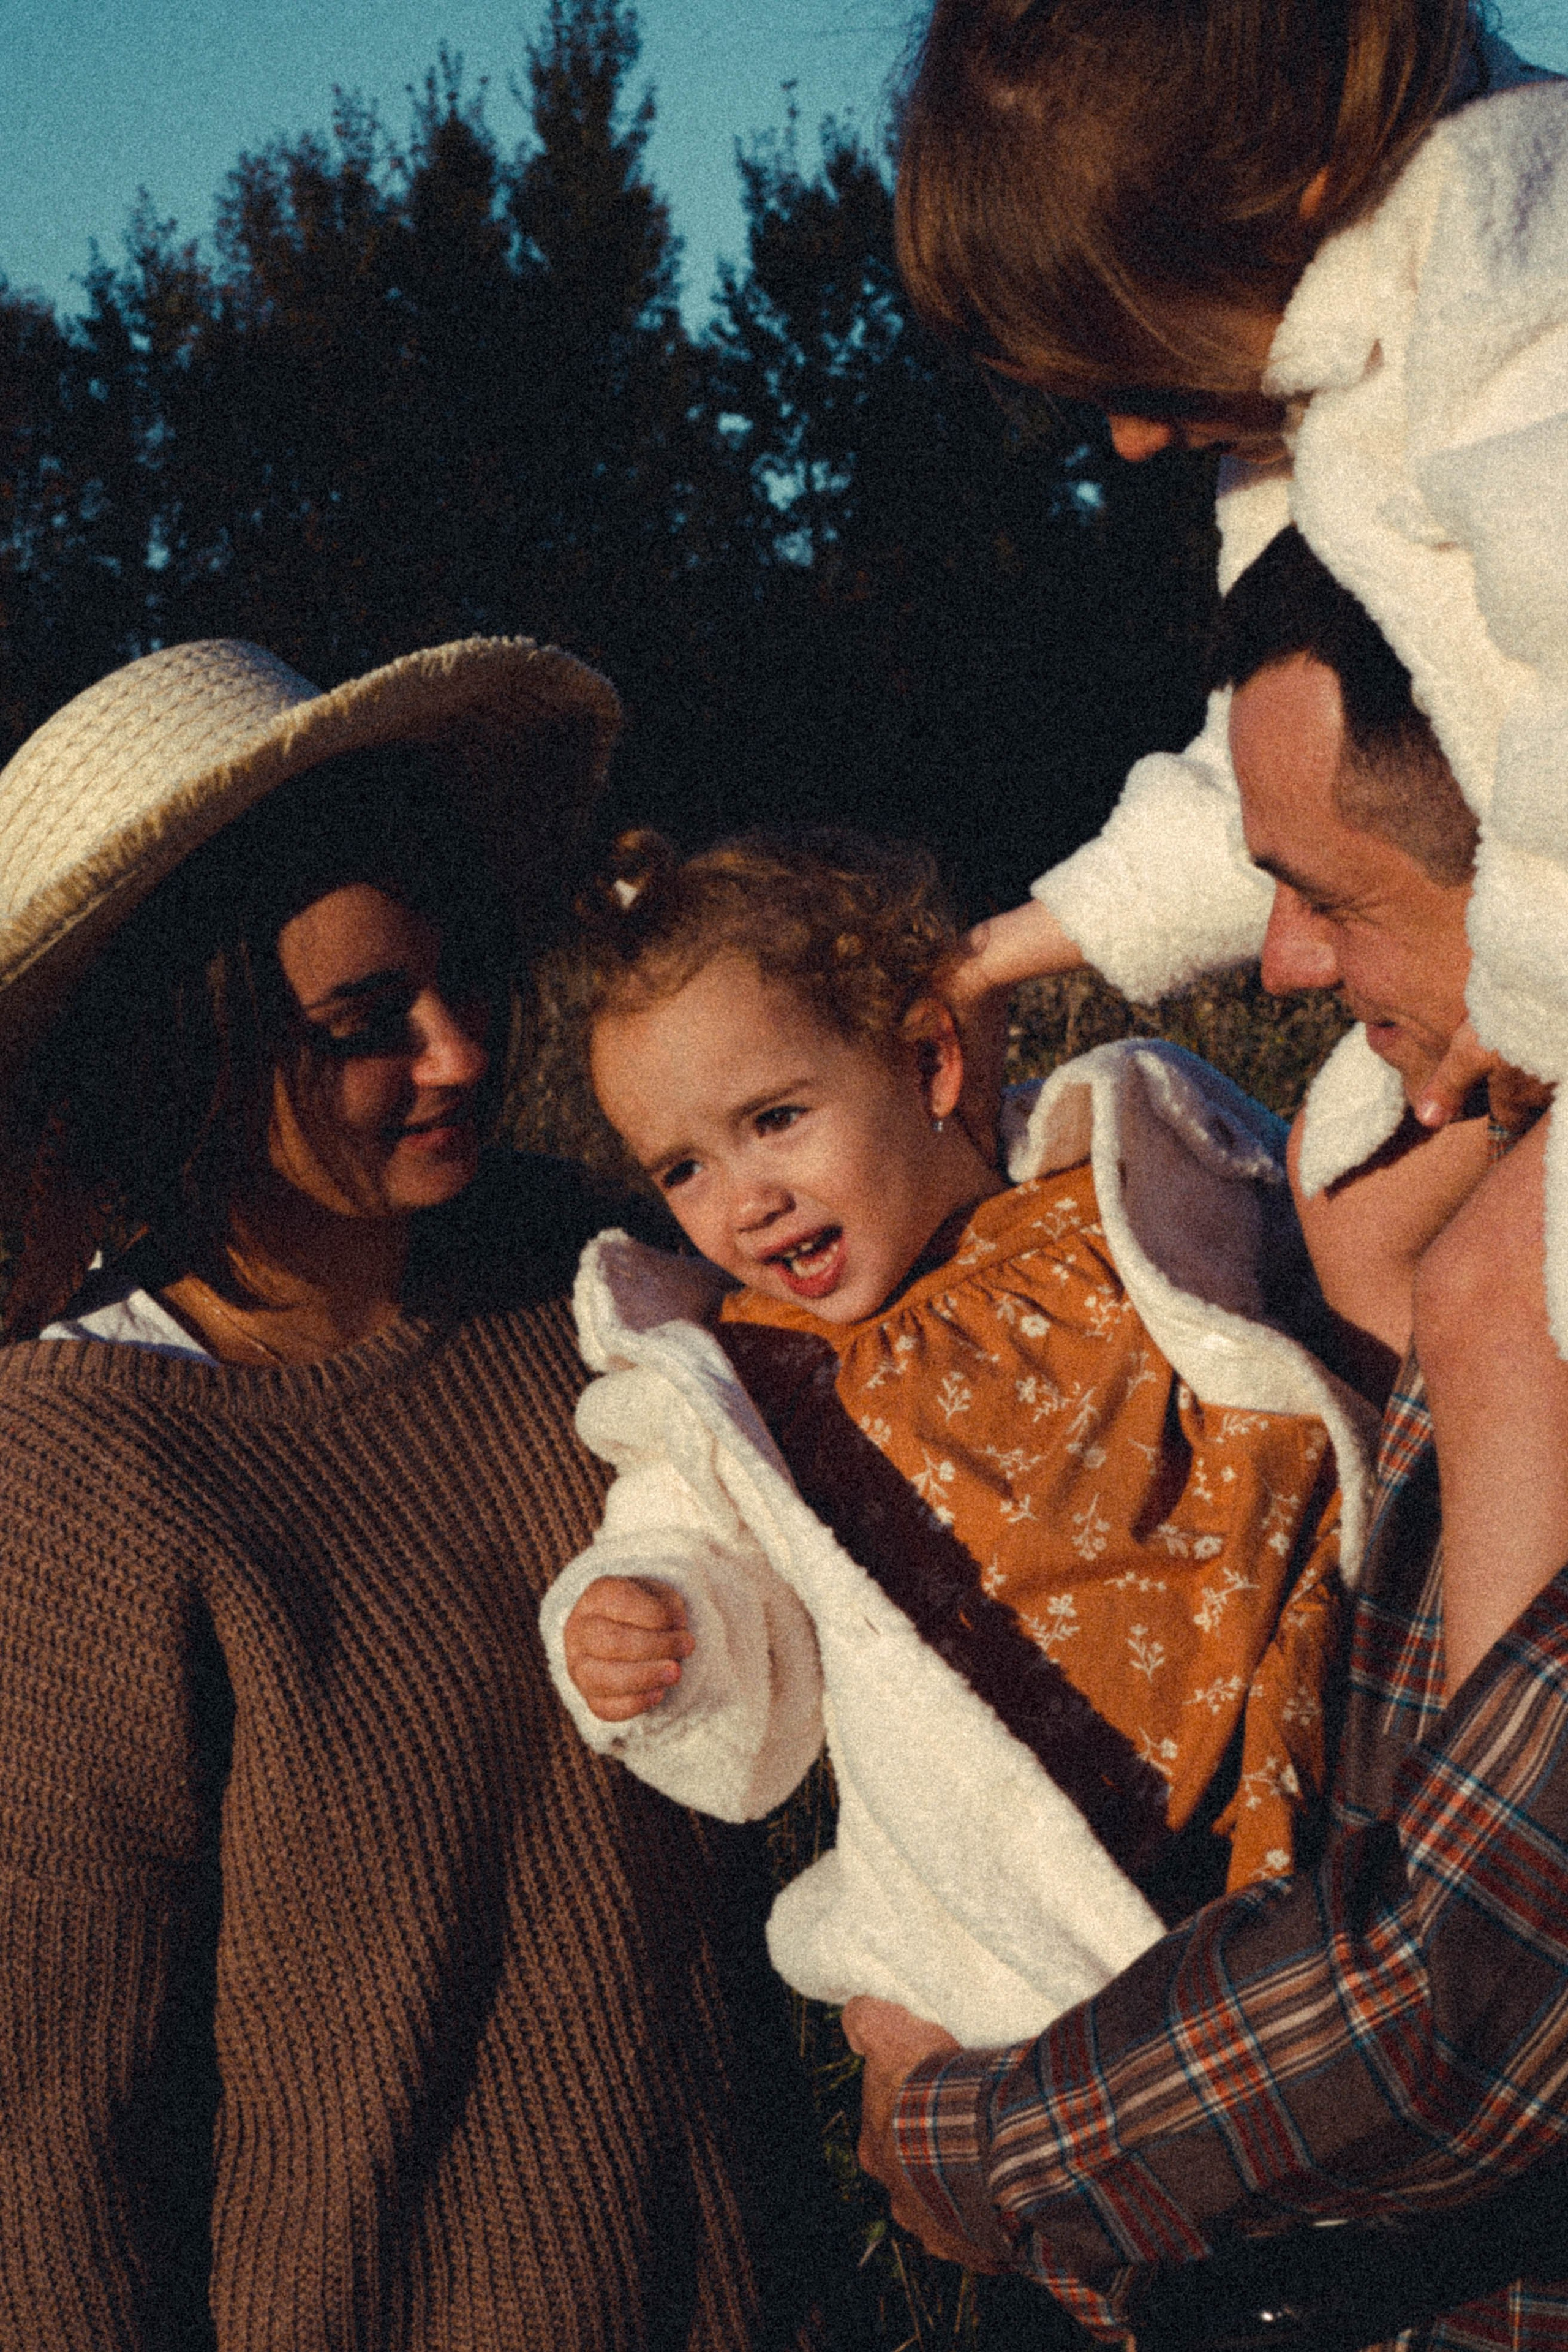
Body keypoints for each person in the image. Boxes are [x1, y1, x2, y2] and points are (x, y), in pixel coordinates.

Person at [0, 638, 842, 2350]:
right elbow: (54, 2126)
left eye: (456, 980)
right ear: (192, 1048)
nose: (460, 1052)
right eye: (364, 1026)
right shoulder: (86, 1462)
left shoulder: (592, 1281)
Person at [846, 526, 1568, 2348]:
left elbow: (1452, 2005)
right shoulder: (1451, 1218)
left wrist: (962, 2131)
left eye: (1338, 891)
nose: (1285, 959)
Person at [537, 827, 1377, 2051]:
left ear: (928, 1061)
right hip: (1038, 1866)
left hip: (1291, 1727)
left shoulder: (1112, 1178)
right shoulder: (742, 1375)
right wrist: (644, 1618)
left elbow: (1323, 1234)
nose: (743, 1199)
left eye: (775, 1117)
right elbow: (688, 1545)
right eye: (682, 1168)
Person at [894, 0, 1568, 1342]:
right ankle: (1437, 1522)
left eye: (1134, 374)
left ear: (1293, 199)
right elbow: (1276, 776)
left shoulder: (1522, 288)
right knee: (1352, 1206)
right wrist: (984, 964)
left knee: (1499, 1289)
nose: (1135, 441)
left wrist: (1531, 988)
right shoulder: (1311, 394)